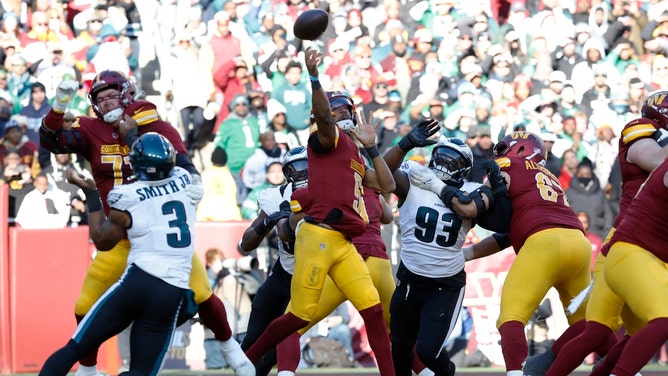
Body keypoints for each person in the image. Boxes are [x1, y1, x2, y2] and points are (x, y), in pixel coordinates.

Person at [39, 71, 254, 376]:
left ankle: (230, 348)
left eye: (110, 95)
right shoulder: (91, 129)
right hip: (120, 235)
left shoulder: (157, 127)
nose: (105, 102)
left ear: (128, 94)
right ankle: (88, 370)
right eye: (98, 98)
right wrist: (59, 106)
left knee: (204, 296)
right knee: (83, 306)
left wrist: (132, 136)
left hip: (156, 236)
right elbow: (53, 141)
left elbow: (185, 170)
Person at [244, 47, 397, 376]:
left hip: (344, 242)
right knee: (298, 316)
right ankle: (246, 362)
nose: (341, 116)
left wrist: (371, 146)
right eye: (335, 111)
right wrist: (314, 78)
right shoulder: (326, 139)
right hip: (319, 237)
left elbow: (386, 185)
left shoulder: (355, 155)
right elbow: (326, 121)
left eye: (346, 111)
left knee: (372, 312)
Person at [524, 90, 668, 376]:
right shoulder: (642, 130)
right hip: (631, 238)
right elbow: (653, 159)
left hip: (651, 243)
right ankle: (545, 364)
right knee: (602, 327)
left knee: (612, 329)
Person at [38, 133, 197, 376]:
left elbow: (103, 241)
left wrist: (91, 193)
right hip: (172, 289)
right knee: (140, 373)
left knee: (75, 348)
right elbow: (177, 166)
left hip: (139, 281)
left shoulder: (128, 195)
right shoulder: (185, 180)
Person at [464, 131, 592, 376]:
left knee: (510, 319)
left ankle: (515, 373)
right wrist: (467, 255)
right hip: (578, 243)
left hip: (544, 244)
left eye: (504, 148)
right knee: (590, 324)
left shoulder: (509, 164)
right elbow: (509, 233)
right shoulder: (549, 176)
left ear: (520, 149)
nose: (499, 154)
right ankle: (624, 369)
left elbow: (478, 204)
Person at [382, 137, 502, 376]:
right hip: (410, 278)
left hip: (445, 284)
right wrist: (404, 145)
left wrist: (468, 254)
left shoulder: (470, 192)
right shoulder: (415, 181)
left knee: (428, 351)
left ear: (466, 167)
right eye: (441, 155)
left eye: (453, 159)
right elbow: (384, 171)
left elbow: (504, 233)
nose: (445, 163)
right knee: (400, 346)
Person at [238, 146, 308, 375]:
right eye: (297, 168)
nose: (303, 173)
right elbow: (245, 245)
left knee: (282, 341)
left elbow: (288, 233)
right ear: (286, 172)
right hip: (285, 272)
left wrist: (285, 222)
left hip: (317, 275)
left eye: (307, 166)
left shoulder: (328, 192)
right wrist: (266, 223)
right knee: (252, 340)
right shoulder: (273, 196)